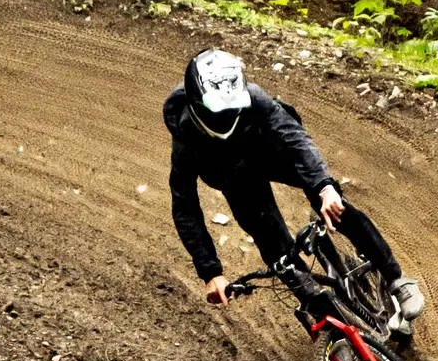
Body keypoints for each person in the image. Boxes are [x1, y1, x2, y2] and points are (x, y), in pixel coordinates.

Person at [163, 48, 424, 327]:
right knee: (279, 254)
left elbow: (295, 140)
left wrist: (324, 187)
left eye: (233, 109)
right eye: (218, 112)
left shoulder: (255, 99)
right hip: (236, 178)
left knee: (335, 206)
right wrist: (210, 271)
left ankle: (396, 278)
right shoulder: (185, 136)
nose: (227, 118)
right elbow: (185, 206)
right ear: (197, 104)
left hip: (271, 152)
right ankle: (335, 328)